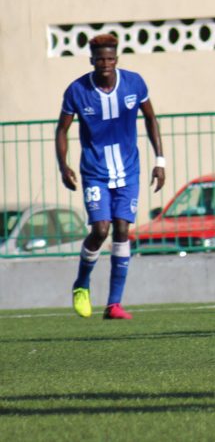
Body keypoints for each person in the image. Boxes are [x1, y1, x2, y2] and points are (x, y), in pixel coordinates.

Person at [55, 34, 165, 321]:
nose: (105, 63)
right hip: (95, 171)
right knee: (101, 230)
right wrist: (63, 165)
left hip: (128, 170)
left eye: (110, 58)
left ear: (117, 59)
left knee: (122, 230)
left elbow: (151, 118)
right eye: (100, 59)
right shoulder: (77, 90)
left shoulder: (134, 83)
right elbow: (62, 130)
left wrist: (160, 161)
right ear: (92, 60)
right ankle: (81, 284)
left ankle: (114, 304)